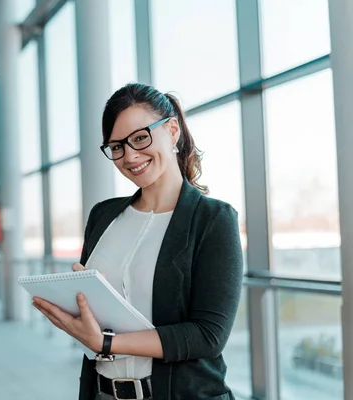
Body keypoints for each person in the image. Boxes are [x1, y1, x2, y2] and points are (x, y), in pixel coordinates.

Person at [32, 83, 243, 400]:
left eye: (140, 138)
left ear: (172, 130)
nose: (130, 156)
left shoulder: (213, 219)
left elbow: (208, 335)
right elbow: (98, 317)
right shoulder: (104, 215)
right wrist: (79, 304)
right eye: (116, 146)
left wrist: (106, 342)